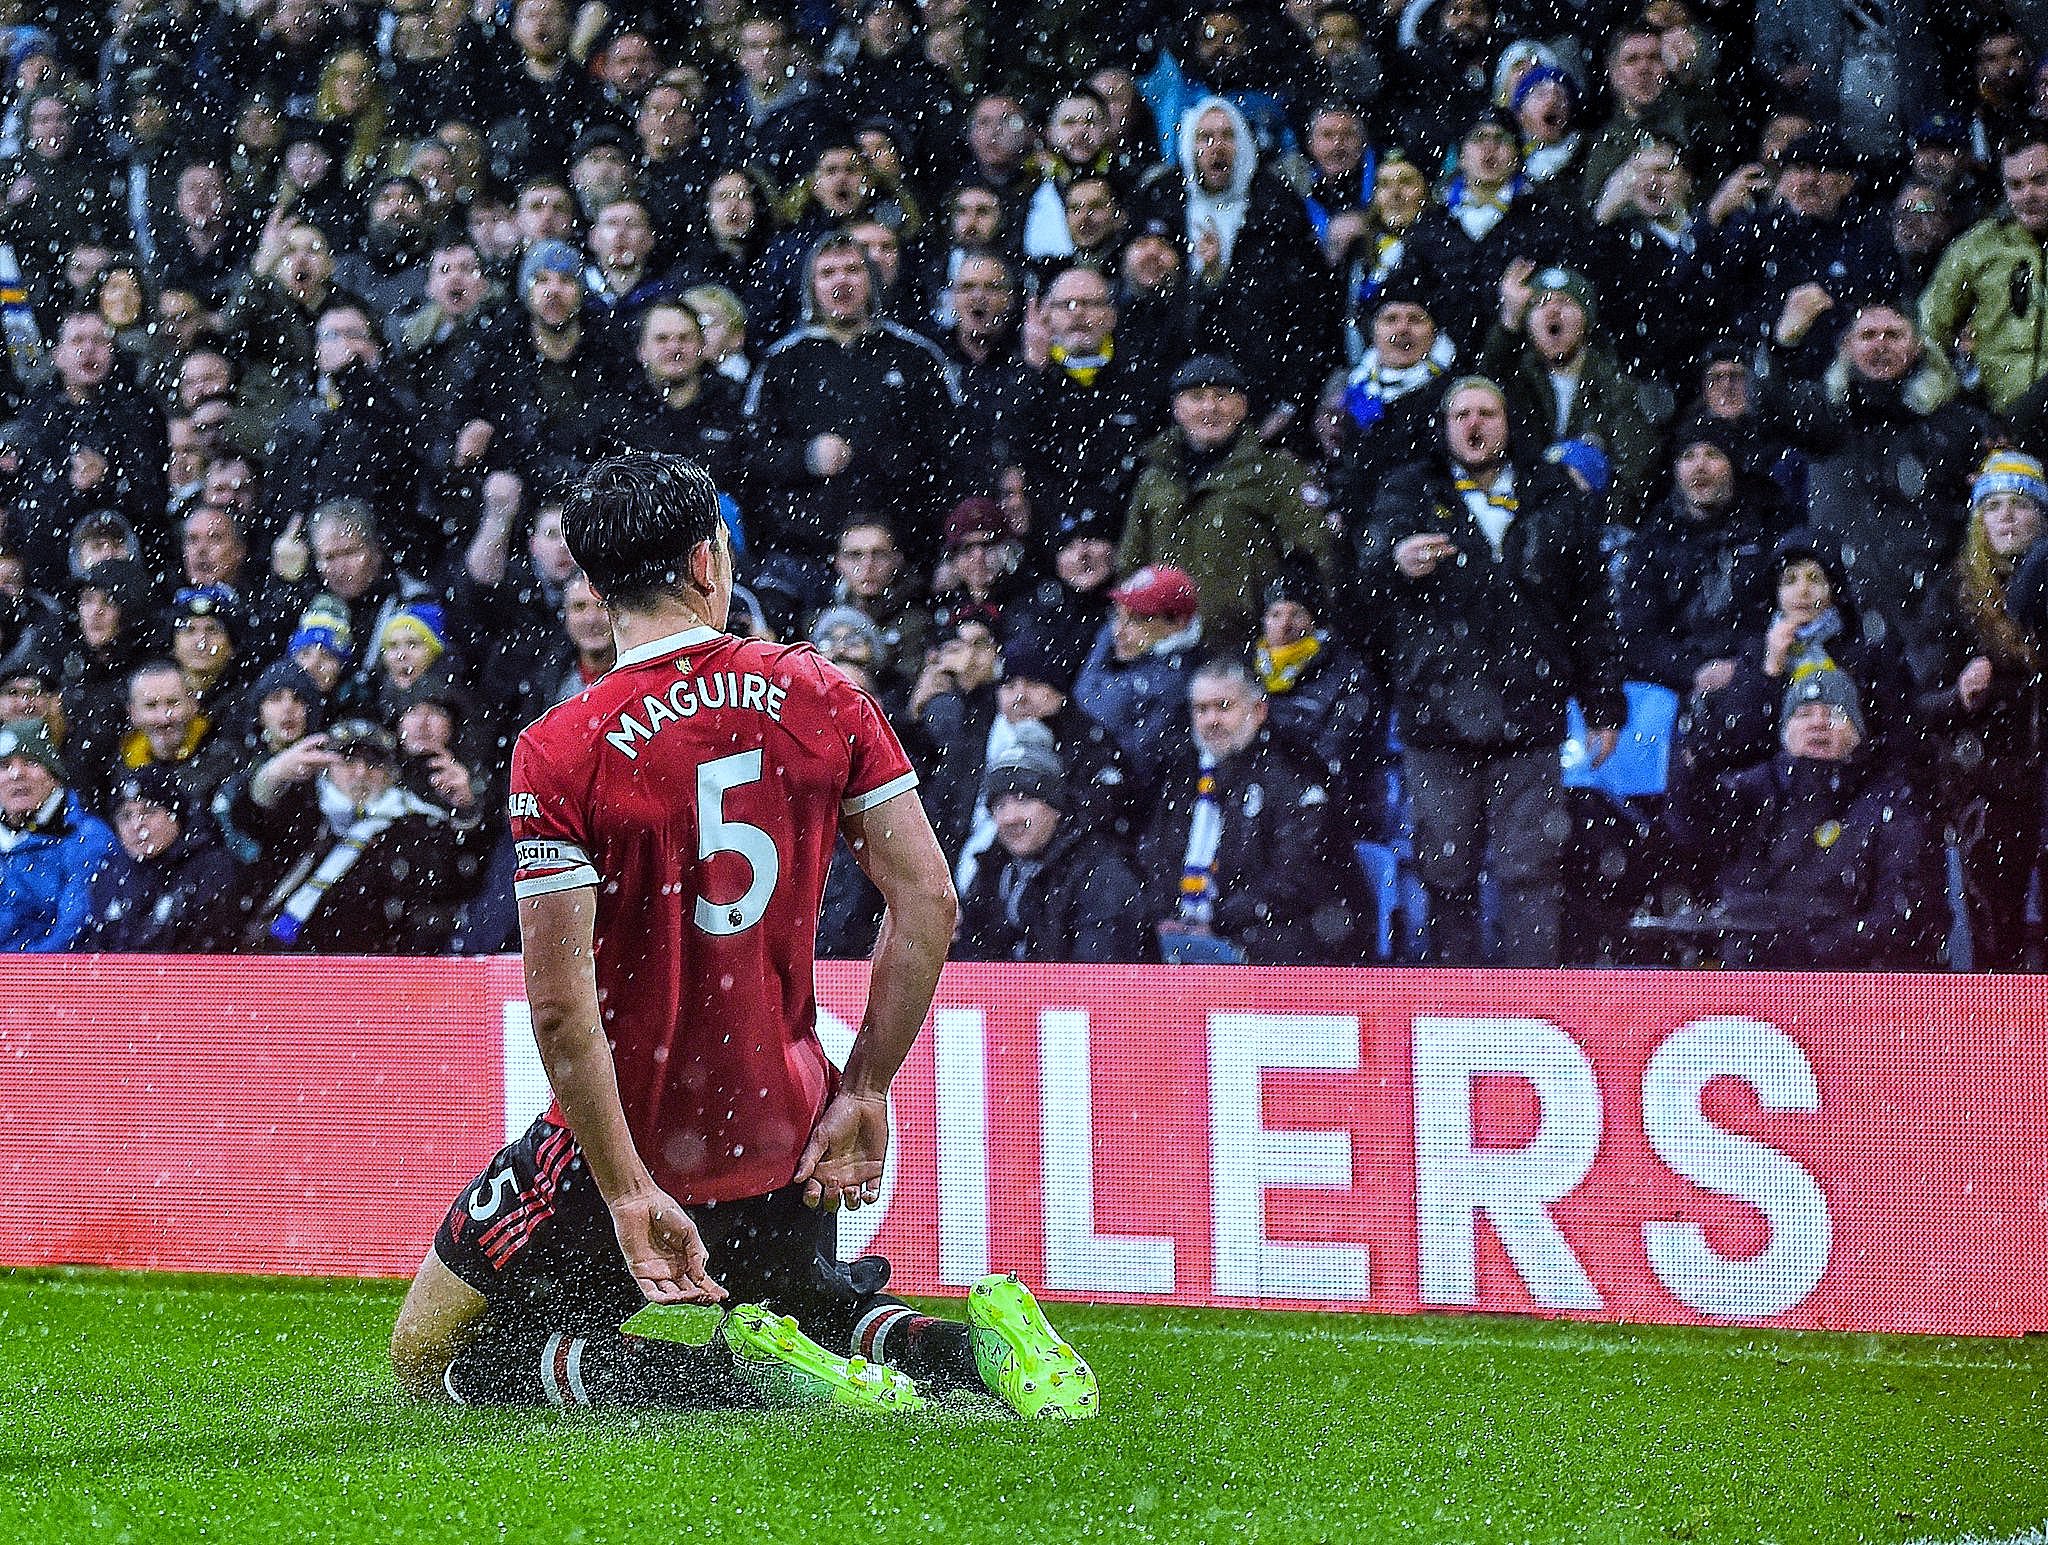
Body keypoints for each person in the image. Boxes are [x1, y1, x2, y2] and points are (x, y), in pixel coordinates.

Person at [388, 453, 1095, 1418]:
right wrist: (866, 1086)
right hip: (779, 1116)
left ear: (594, 589)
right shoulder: (822, 692)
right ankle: (977, 1349)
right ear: (706, 562)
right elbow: (928, 900)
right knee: (811, 1306)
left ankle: (729, 1383)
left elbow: (560, 1014)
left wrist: (630, 1191)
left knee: (435, 1356)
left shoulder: (562, 746)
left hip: (633, 1129)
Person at [1360, 376, 1623, 965]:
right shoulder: (1409, 490)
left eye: (1488, 413)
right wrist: (1395, 561)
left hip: (1529, 714)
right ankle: (1453, 1005)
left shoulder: (1554, 492)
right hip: (1437, 716)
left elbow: (1590, 610)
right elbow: (1365, 573)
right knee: (1443, 868)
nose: (1475, 426)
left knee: (1531, 869)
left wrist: (1604, 707)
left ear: (1509, 422)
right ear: (1444, 424)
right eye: (1462, 415)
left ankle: (1534, 1006)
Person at [1666, 666, 1944, 970]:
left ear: (1857, 733)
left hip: (1847, 983)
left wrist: (1809, 948)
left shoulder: (1888, 802)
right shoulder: (1751, 788)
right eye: (1803, 714)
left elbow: (1904, 914)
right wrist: (1691, 755)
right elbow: (1690, 825)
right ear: (1785, 734)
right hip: (1745, 981)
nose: (1818, 723)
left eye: (1835, 713)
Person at [1136, 656, 1364, 965]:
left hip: (1283, 934)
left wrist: (1216, 922)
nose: (1211, 720)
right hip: (1195, 932)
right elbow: (1154, 855)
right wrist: (1167, 914)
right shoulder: (1183, 773)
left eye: (1224, 706)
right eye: (1201, 710)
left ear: (1258, 711)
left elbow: (1295, 880)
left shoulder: (1293, 771)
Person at [954, 750, 1148, 964]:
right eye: (1000, 805)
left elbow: (1098, 982)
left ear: (1056, 808)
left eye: (1023, 799)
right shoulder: (994, 868)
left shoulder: (1101, 875)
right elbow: (969, 958)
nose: (1010, 817)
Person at [0, 716, 124, 952]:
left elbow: (74, 935)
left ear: (54, 775)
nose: (16, 774)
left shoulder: (87, 839)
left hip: (53, 982)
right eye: (4, 766)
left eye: (30, 762)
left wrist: (16, 977)